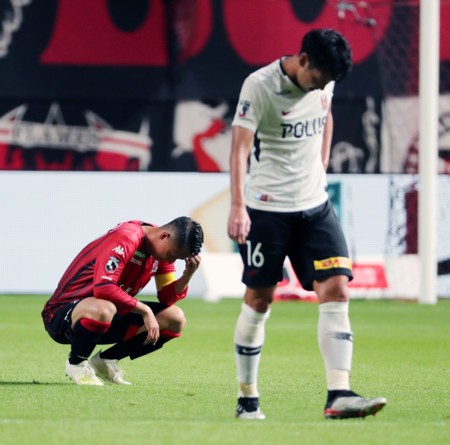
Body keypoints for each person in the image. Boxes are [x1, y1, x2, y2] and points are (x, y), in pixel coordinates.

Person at [227, 28, 386, 420]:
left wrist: (322, 163)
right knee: (259, 300)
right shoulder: (259, 86)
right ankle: (247, 398)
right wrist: (238, 206)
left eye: (328, 81)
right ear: (302, 60)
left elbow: (325, 115)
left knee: (337, 289)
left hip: (315, 207)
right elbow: (239, 148)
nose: (321, 85)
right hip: (267, 209)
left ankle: (339, 394)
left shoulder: (324, 81)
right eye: (318, 77)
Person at [42, 216, 203, 386]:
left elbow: (166, 298)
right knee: (105, 308)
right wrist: (145, 310)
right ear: (165, 236)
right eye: (172, 255)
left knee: (175, 318)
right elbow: (103, 288)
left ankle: (105, 361)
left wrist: (187, 275)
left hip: (106, 316)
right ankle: (76, 363)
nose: (171, 261)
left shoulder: (159, 250)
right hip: (61, 315)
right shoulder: (127, 237)